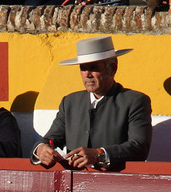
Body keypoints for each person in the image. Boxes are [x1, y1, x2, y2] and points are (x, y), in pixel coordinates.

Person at [31, 36, 152, 171]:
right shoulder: (70, 102)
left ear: (112, 69)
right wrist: (41, 149)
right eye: (83, 68)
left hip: (115, 184)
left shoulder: (134, 101)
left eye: (94, 68)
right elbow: (51, 139)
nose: (87, 74)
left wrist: (99, 154)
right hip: (75, 184)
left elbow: (139, 146)